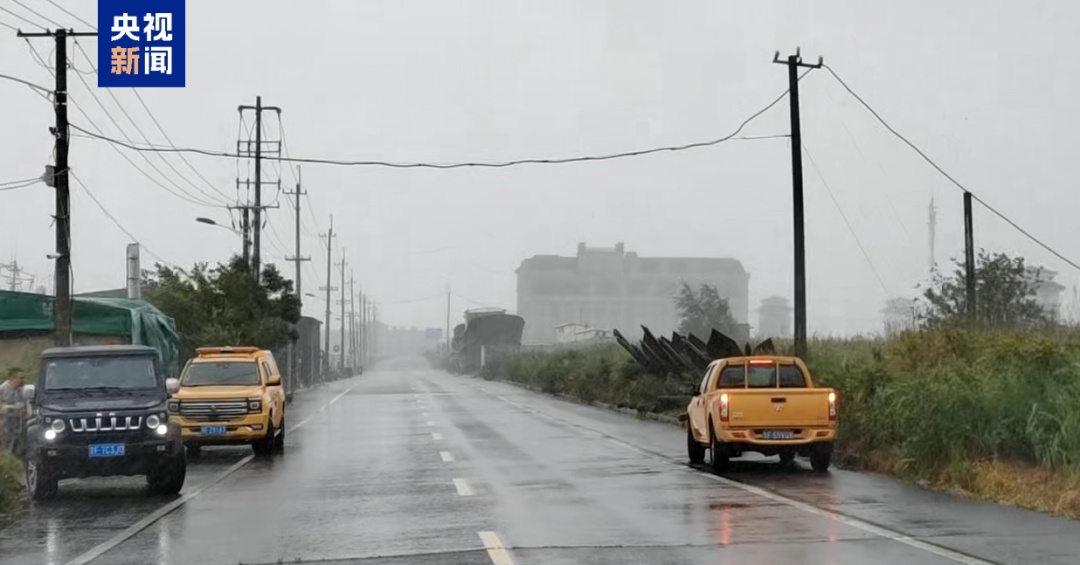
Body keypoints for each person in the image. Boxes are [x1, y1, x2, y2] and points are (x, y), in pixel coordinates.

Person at [0, 367, 27, 453]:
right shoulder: (2, 389)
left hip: (17, 424)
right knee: (5, 447)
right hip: (5, 425)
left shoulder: (21, 390)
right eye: (20, 378)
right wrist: (11, 407)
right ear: (13, 378)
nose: (22, 380)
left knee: (15, 445)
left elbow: (24, 405)